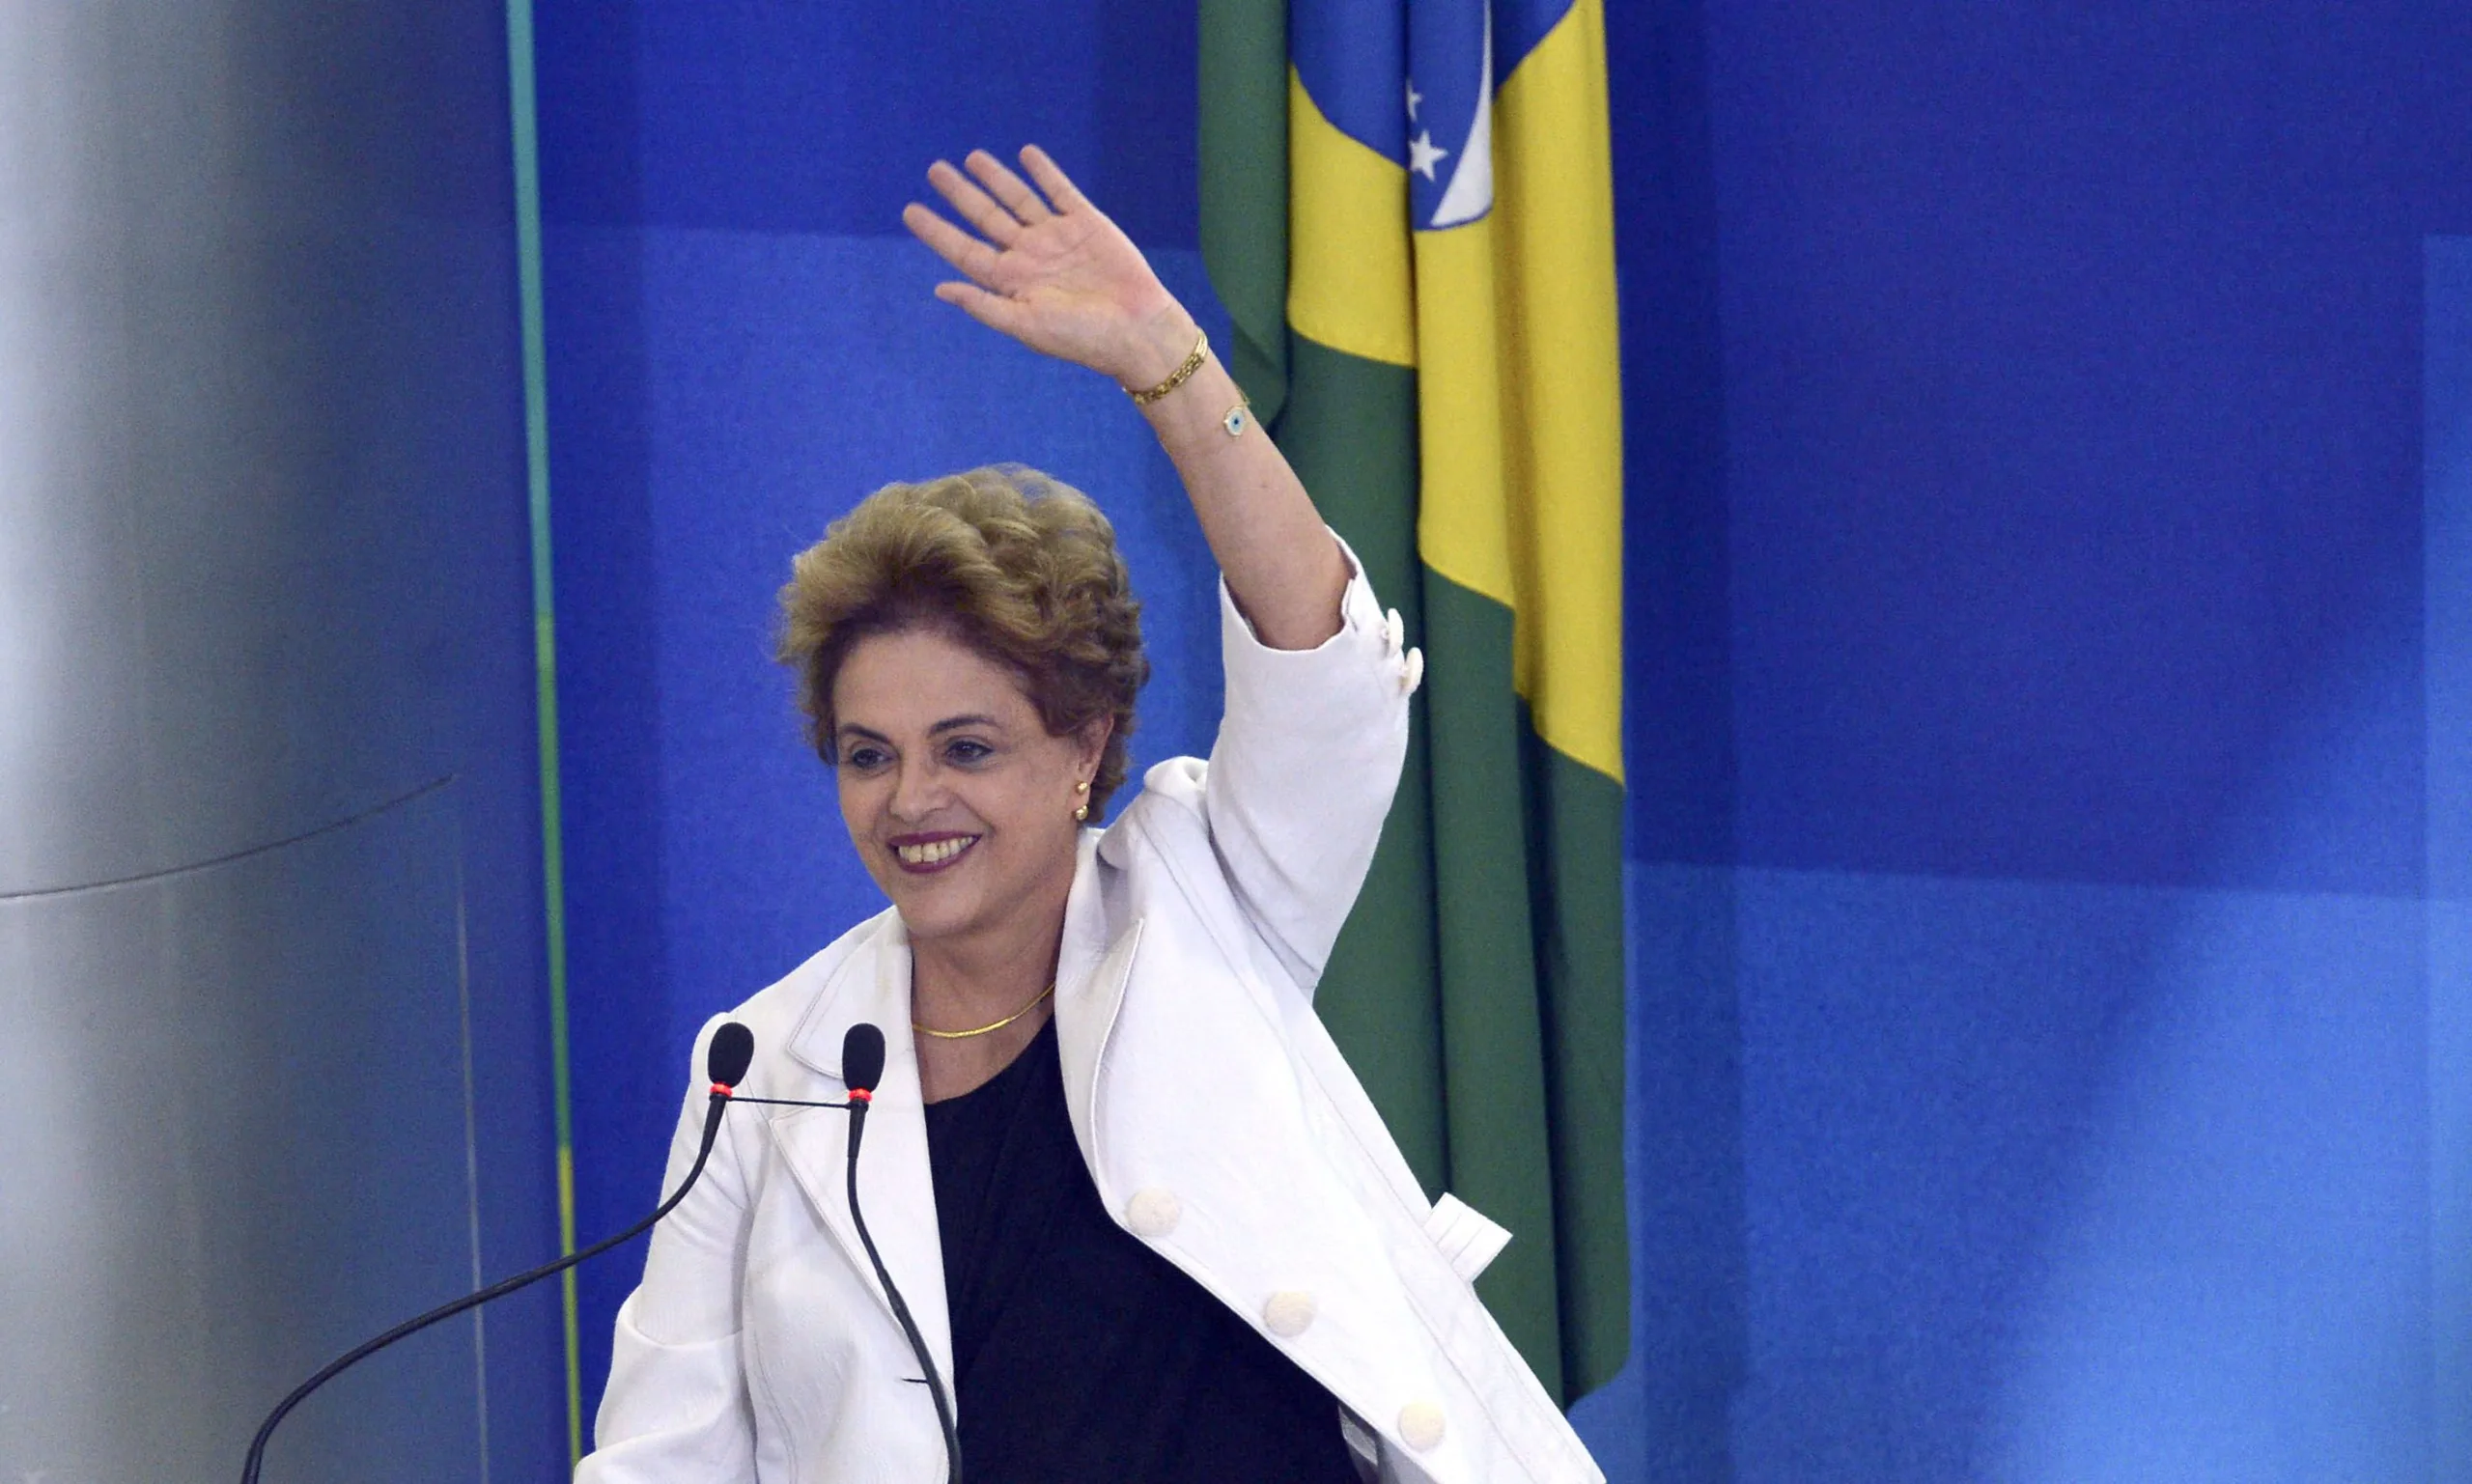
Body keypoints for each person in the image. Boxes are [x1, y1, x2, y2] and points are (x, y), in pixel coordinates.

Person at [576, 146, 1603, 1484]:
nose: (914, 801)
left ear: (1086, 747)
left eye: (969, 747)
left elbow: (1325, 673)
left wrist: (1166, 365)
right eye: (867, 754)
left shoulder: (1203, 897)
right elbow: (658, 1461)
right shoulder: (763, 1068)